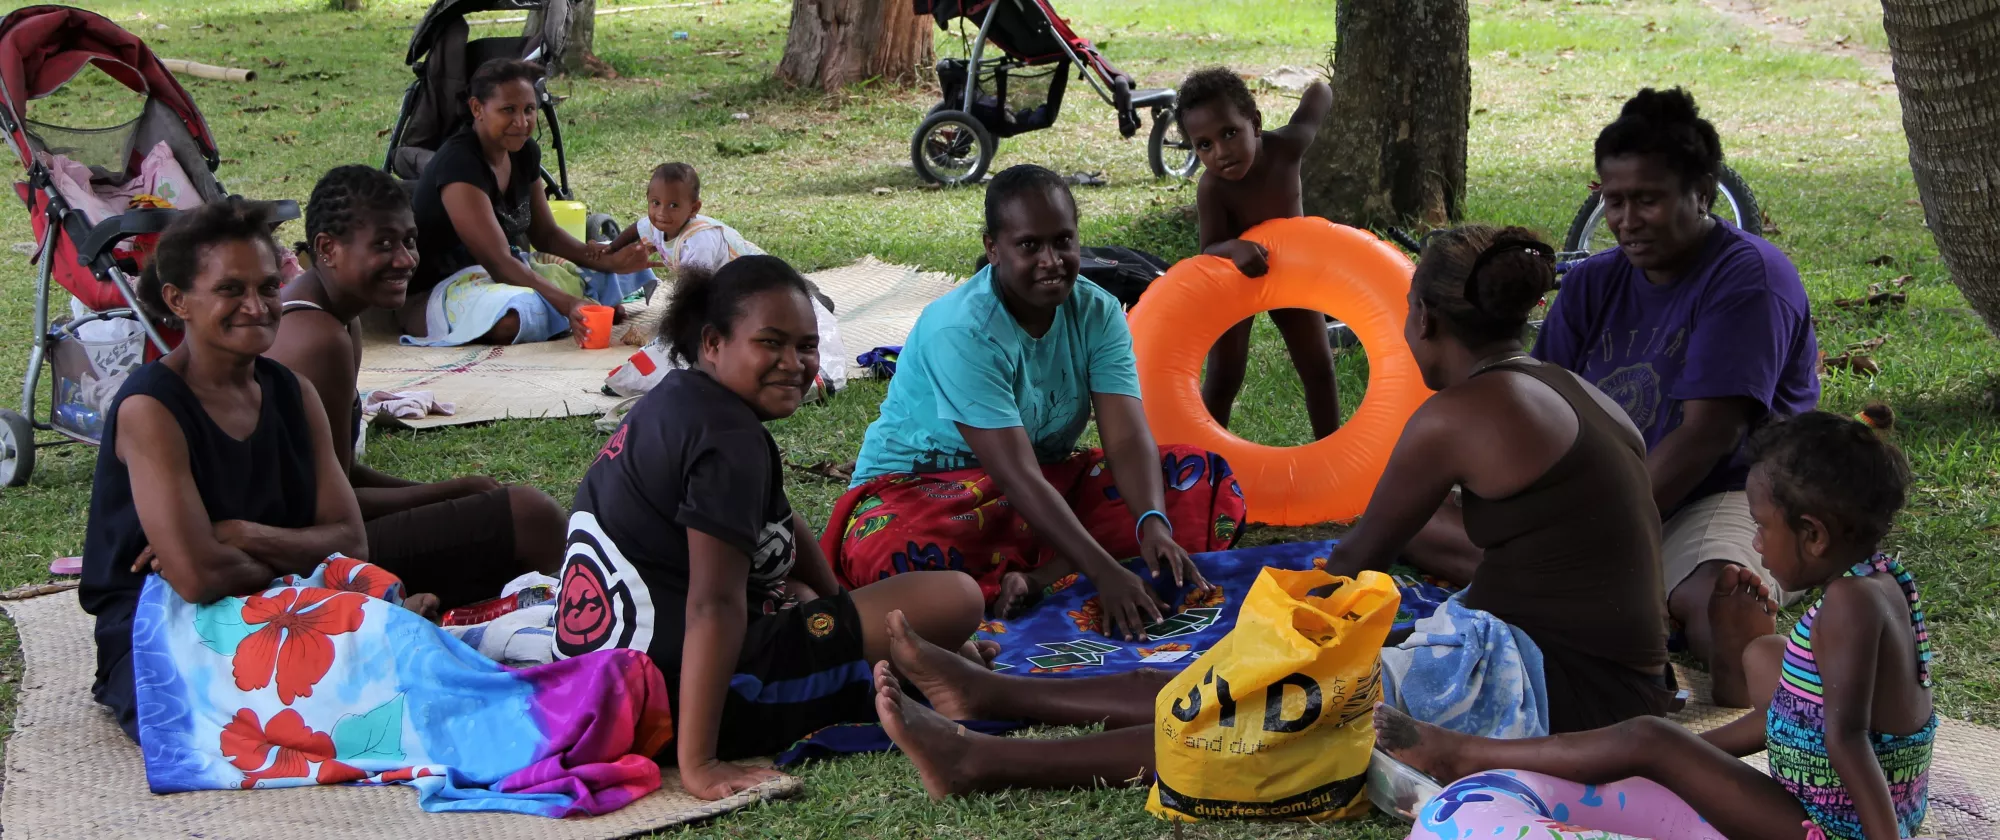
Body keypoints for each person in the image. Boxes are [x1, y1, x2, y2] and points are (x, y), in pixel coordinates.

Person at [859, 223, 1684, 799]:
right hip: (1598, 671)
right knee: (1276, 670)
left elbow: (1354, 557)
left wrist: (1254, 614)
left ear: (1423, 318)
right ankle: (999, 698)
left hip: (1557, 689)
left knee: (1264, 694)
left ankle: (985, 761)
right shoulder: (1567, 389)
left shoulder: (1458, 416)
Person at [551, 255, 987, 802]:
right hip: (669, 698)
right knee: (954, 599)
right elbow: (714, 607)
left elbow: (782, 520)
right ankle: (915, 677)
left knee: (825, 598)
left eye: (805, 346)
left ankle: (899, 656)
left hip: (599, 678)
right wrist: (701, 763)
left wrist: (840, 603)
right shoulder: (728, 440)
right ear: (713, 342)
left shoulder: (680, 397)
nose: (794, 364)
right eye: (771, 343)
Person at [1377, 410, 1930, 840]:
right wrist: (1692, 756)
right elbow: (1800, 719)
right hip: (1838, 809)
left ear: (1813, 535)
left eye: (1761, 527)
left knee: (1649, 737)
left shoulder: (1849, 605)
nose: (1755, 542)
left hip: (1831, 829)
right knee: (1728, 690)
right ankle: (1487, 751)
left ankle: (1463, 753)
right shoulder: (1880, 580)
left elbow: (1847, 737)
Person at [826, 165, 1248, 641]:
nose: (1052, 260)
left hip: (1038, 491)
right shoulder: (962, 330)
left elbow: (1127, 438)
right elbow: (1016, 475)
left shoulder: (1098, 311)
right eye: (1030, 245)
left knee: (1197, 479)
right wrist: (1104, 574)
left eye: (1063, 241)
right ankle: (1068, 568)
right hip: (926, 494)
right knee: (885, 551)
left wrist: (1153, 523)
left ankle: (1035, 578)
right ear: (993, 249)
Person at [1531, 87, 1821, 707]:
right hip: (1606, 496)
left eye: (1648, 201)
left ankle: (1721, 638)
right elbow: (1541, 404)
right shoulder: (1591, 282)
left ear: (1703, 192)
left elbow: (1707, 437)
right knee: (1433, 518)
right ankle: (1629, 591)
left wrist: (1585, 533)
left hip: (1723, 492)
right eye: (1614, 201)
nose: (1628, 221)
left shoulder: (1752, 278)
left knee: (1714, 595)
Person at [79, 199, 378, 741]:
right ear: (177, 301)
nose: (257, 306)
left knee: (383, 678)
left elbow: (351, 542)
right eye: (230, 290)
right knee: (276, 721)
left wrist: (236, 536)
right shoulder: (151, 408)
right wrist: (295, 557)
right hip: (161, 628)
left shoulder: (293, 392)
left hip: (281, 605)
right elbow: (196, 580)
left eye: (267, 287)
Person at [268, 165, 567, 611]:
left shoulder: (336, 317)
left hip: (324, 532)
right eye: (383, 245)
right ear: (327, 248)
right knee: (532, 516)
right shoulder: (317, 338)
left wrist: (454, 491)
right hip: (303, 560)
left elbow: (339, 472)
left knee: (501, 512)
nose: (406, 259)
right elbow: (327, 506)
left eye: (409, 241)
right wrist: (446, 492)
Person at [402, 58, 655, 346]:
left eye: (529, 109)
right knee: (512, 318)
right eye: (508, 110)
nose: (522, 123)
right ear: (477, 109)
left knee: (619, 272)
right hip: (445, 289)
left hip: (502, 273)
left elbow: (546, 235)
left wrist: (607, 258)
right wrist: (567, 303)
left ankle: (573, 307)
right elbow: (498, 262)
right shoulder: (459, 164)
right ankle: (574, 308)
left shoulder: (524, 151)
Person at [1178, 67, 1344, 441]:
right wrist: (1234, 247)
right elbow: (1209, 249)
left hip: (1290, 272)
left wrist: (1322, 87)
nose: (1220, 152)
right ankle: (1208, 461)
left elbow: (1315, 103)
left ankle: (1330, 450)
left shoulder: (1288, 147)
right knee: (1224, 375)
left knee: (1318, 367)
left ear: (1255, 123)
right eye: (1203, 145)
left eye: (1229, 133)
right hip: (1235, 279)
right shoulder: (1213, 188)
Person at [604, 162, 762, 277]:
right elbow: (637, 229)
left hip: (755, 278)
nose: (661, 212)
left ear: (693, 209)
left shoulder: (698, 243)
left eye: (673, 205)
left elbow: (693, 290)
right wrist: (611, 248)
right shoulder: (658, 225)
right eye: (656, 203)